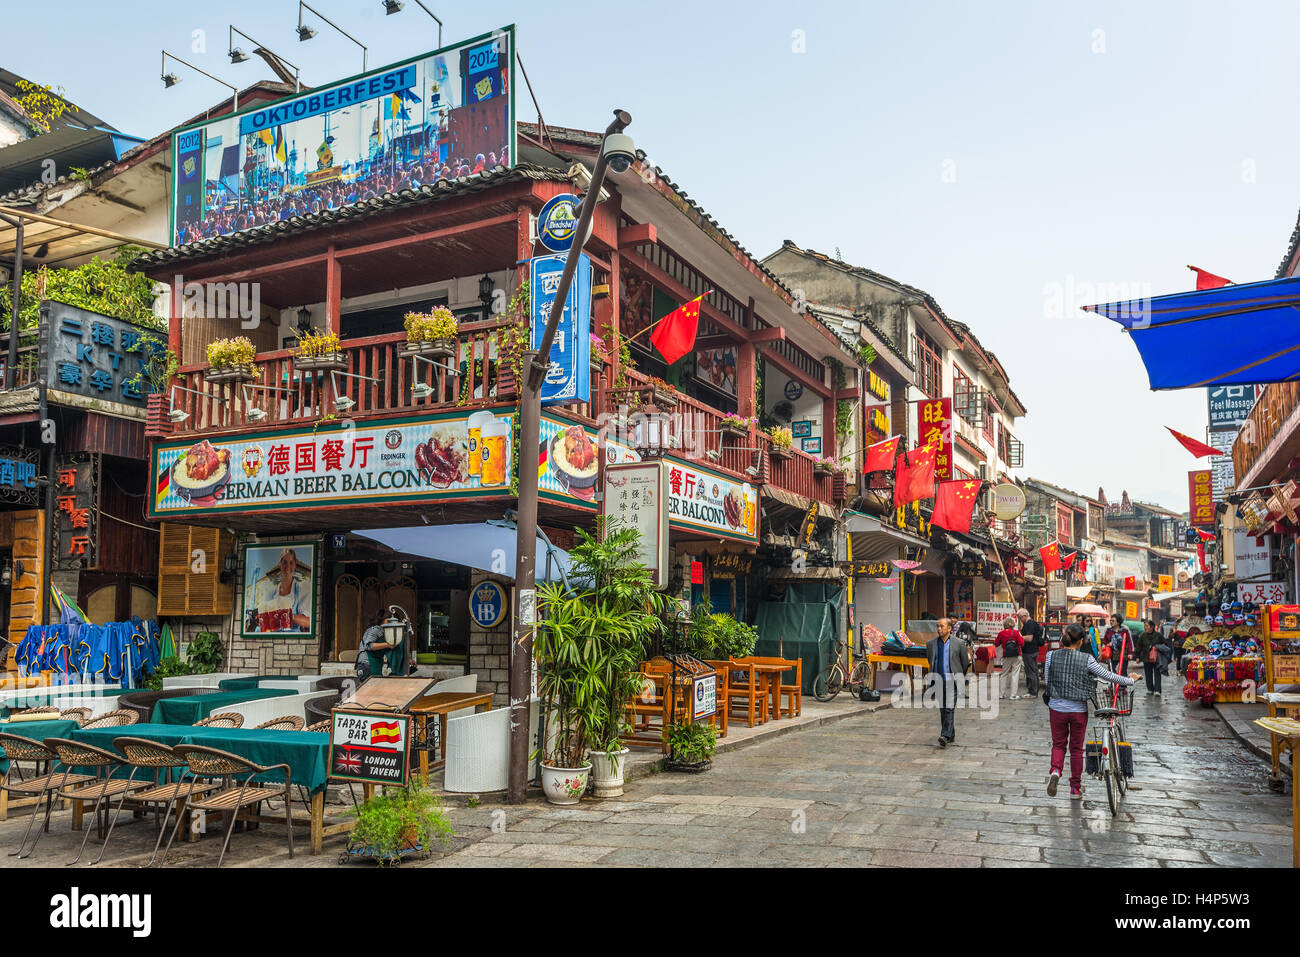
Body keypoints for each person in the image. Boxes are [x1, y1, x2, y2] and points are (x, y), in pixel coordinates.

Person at [1045, 623, 1137, 800]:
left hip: (1057, 707)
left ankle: (1056, 770)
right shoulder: (1086, 659)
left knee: (1058, 744)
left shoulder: (1051, 656)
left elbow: (1049, 682)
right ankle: (1075, 789)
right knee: (1077, 749)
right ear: (1080, 642)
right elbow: (1107, 675)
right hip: (1078, 709)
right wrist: (1130, 680)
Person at [925, 617, 970, 748]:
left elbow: (965, 663)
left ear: (949, 628)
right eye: (938, 626)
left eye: (942, 626)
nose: (939, 629)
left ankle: (944, 735)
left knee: (949, 708)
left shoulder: (959, 644)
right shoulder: (931, 644)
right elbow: (930, 661)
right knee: (943, 710)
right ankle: (951, 735)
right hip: (938, 681)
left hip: (953, 682)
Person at [356, 612, 406, 682]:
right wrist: (387, 644)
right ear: (382, 620)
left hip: (377, 664)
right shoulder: (376, 629)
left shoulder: (387, 633)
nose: (392, 623)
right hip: (367, 664)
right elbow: (368, 645)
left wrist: (407, 659)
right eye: (389, 621)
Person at [1135, 620, 1170, 695]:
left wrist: (1158, 647)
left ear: (1152, 627)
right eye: (1144, 626)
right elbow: (1138, 646)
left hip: (1156, 658)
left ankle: (1157, 690)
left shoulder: (1158, 635)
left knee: (1157, 674)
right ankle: (1150, 689)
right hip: (1146, 657)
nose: (1145, 628)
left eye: (1147, 626)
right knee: (1148, 674)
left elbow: (1165, 644)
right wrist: (1137, 657)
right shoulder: (1143, 636)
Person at [994, 617, 1025, 700]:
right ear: (1013, 624)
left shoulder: (1001, 633)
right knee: (1015, 674)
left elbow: (996, 643)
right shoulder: (1016, 633)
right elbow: (1022, 643)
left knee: (1004, 674)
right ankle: (1013, 695)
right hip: (1016, 655)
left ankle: (1001, 694)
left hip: (1006, 656)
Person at [1018, 607, 1042, 696]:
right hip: (1033, 650)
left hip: (1029, 651)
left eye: (1020, 618)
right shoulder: (1032, 623)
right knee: (1034, 671)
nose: (1020, 620)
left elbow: (1029, 638)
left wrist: (1018, 637)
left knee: (1030, 671)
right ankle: (1034, 690)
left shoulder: (1029, 624)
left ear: (1024, 616)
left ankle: (1032, 692)